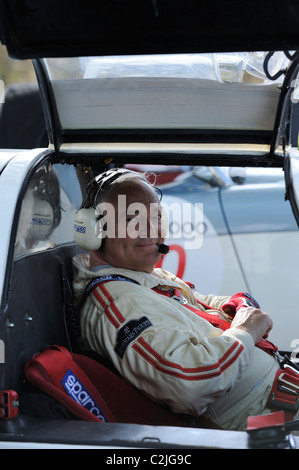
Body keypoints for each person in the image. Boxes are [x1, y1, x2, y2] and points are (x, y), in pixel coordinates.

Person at [72, 168, 298, 431]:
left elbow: (199, 301)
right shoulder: (118, 303)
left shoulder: (142, 278)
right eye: (132, 219)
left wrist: (234, 308)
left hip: (280, 397)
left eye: (156, 217)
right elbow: (190, 383)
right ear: (94, 230)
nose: (151, 230)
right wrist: (246, 331)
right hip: (263, 421)